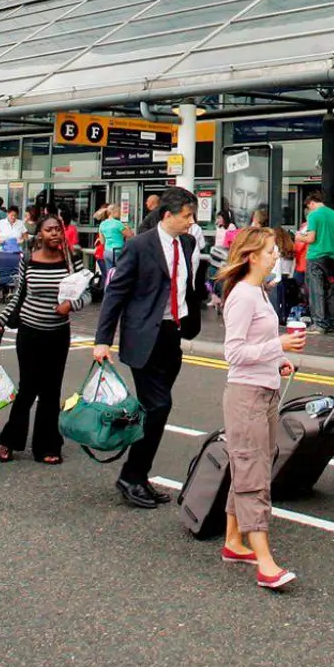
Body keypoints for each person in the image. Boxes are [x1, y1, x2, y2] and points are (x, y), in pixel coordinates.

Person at [92, 187, 206, 508]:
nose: (191, 222)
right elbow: (116, 293)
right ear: (167, 216)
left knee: (151, 410)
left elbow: (186, 285)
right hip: (144, 336)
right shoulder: (139, 246)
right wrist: (102, 339)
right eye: (186, 216)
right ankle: (131, 475)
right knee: (158, 407)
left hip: (173, 333)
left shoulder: (187, 242)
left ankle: (138, 476)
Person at [217, 226, 306, 590]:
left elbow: (260, 344)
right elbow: (233, 354)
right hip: (247, 395)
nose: (276, 256)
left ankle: (233, 542)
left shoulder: (259, 292)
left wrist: (278, 358)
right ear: (252, 256)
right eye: (270, 251)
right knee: (254, 474)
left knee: (251, 465)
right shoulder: (243, 296)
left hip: (264, 390)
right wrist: (279, 345)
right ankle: (265, 564)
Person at [0, 214, 87, 464]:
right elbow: (18, 295)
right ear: (39, 234)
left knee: (51, 391)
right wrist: (1, 319)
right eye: (49, 230)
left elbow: (87, 293)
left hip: (58, 333)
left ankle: (47, 446)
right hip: (30, 331)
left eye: (58, 229)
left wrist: (70, 305)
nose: (55, 233)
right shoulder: (29, 260)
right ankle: (9, 440)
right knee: (28, 388)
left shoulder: (71, 260)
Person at [296, 188, 334, 334]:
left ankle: (319, 324)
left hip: (315, 256)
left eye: (308, 206)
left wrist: (299, 237)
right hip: (330, 257)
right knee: (328, 291)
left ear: (311, 203)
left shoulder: (313, 216)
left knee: (316, 291)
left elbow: (311, 238)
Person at [96, 204, 127, 284]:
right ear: (114, 212)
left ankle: (108, 291)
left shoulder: (102, 224)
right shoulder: (118, 224)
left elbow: (102, 242)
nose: (120, 213)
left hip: (107, 252)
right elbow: (130, 235)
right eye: (119, 211)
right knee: (120, 274)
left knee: (109, 275)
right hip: (118, 251)